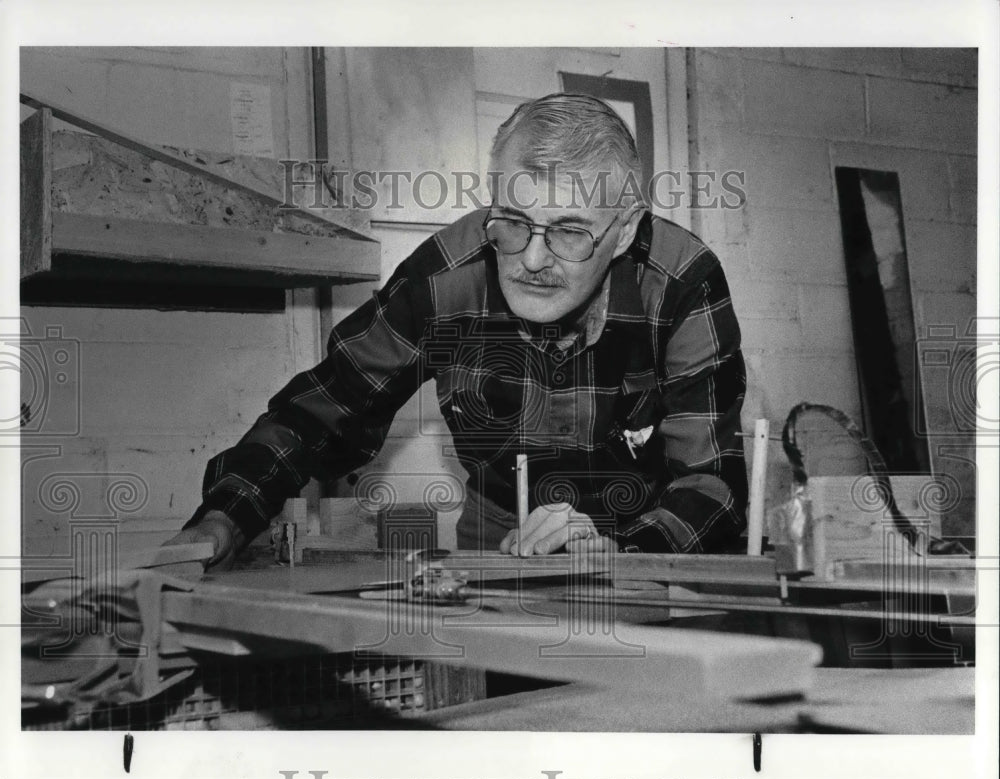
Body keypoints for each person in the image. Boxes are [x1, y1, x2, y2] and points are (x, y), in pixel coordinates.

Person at [167, 93, 748, 569]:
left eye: (571, 232)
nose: (533, 259)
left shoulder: (680, 283)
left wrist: (617, 556)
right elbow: (320, 412)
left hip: (646, 549)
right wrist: (222, 520)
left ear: (622, 233)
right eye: (515, 222)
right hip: (499, 541)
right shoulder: (446, 276)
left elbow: (711, 484)